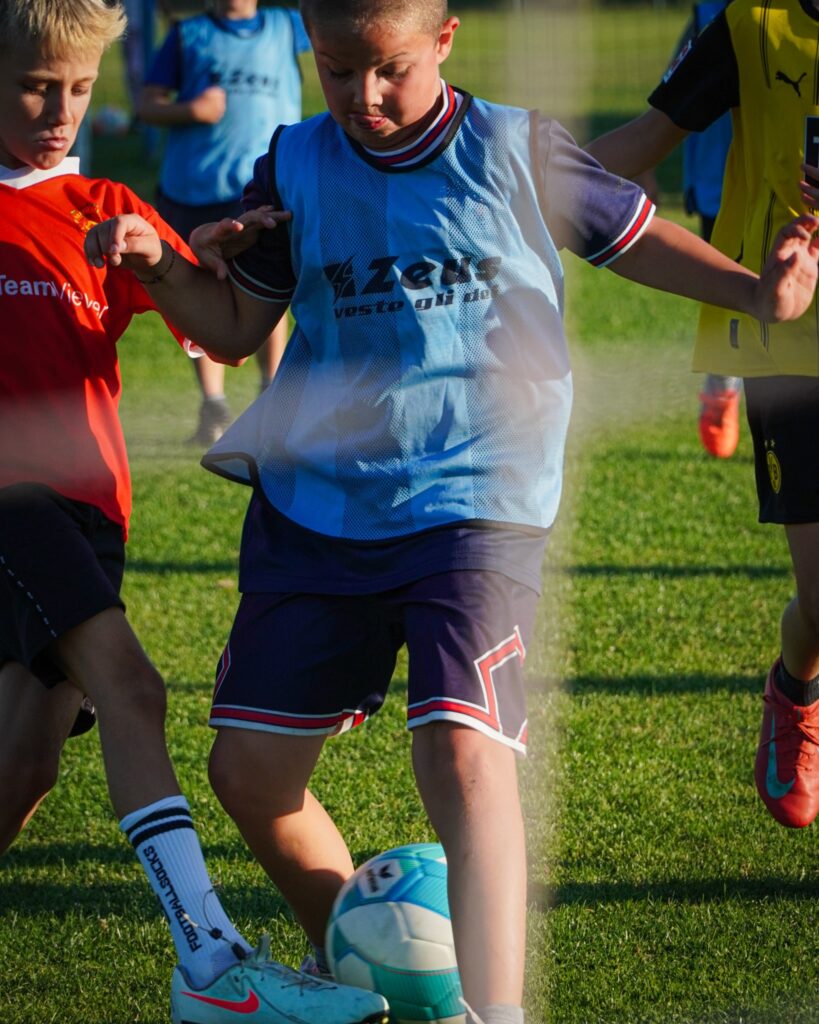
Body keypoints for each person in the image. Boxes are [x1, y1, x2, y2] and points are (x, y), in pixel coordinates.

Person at [84, 0, 819, 1020]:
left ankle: (495, 1012)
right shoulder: (293, 164)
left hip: (477, 498)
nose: (363, 96)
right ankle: (379, 966)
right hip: (318, 506)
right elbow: (235, 325)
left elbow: (635, 239)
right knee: (249, 774)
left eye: (388, 68)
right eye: (337, 70)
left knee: (463, 752)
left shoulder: (515, 148)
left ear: (443, 40)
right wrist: (162, 265)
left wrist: (757, 295)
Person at [0, 3, 390, 1023]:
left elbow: (213, 326)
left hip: (94, 515)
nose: (60, 111)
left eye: (79, 89)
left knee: (25, 760)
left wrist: (188, 253)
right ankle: (212, 963)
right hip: (12, 503)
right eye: (36, 87)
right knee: (132, 688)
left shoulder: (100, 203)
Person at [586, 0, 819, 831]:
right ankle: (796, 688)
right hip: (788, 330)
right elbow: (647, 138)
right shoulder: (754, 24)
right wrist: (508, 191)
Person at [138, 0, 311, 445]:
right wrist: (191, 110)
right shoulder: (188, 35)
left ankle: (273, 398)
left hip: (262, 188)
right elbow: (147, 105)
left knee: (269, 285)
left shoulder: (287, 26)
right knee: (202, 291)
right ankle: (213, 405)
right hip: (195, 187)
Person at [680, 1, 744, 459]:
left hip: (792, 181)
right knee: (728, 300)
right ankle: (723, 390)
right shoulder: (709, 9)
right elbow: (676, 86)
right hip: (717, 182)